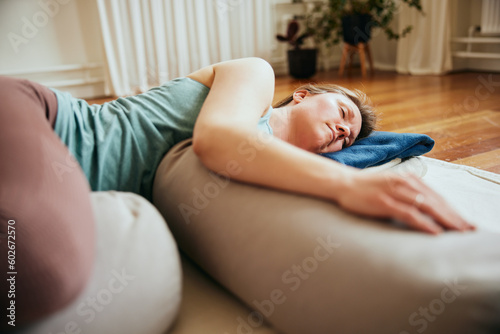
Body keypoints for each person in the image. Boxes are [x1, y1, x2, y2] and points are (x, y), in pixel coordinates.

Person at [0, 57, 474, 329]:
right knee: (40, 274)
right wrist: (349, 183)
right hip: (43, 120)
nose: (342, 132)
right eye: (344, 114)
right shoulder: (256, 75)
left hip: (53, 180)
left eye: (349, 139)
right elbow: (217, 140)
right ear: (305, 93)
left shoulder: (282, 166)